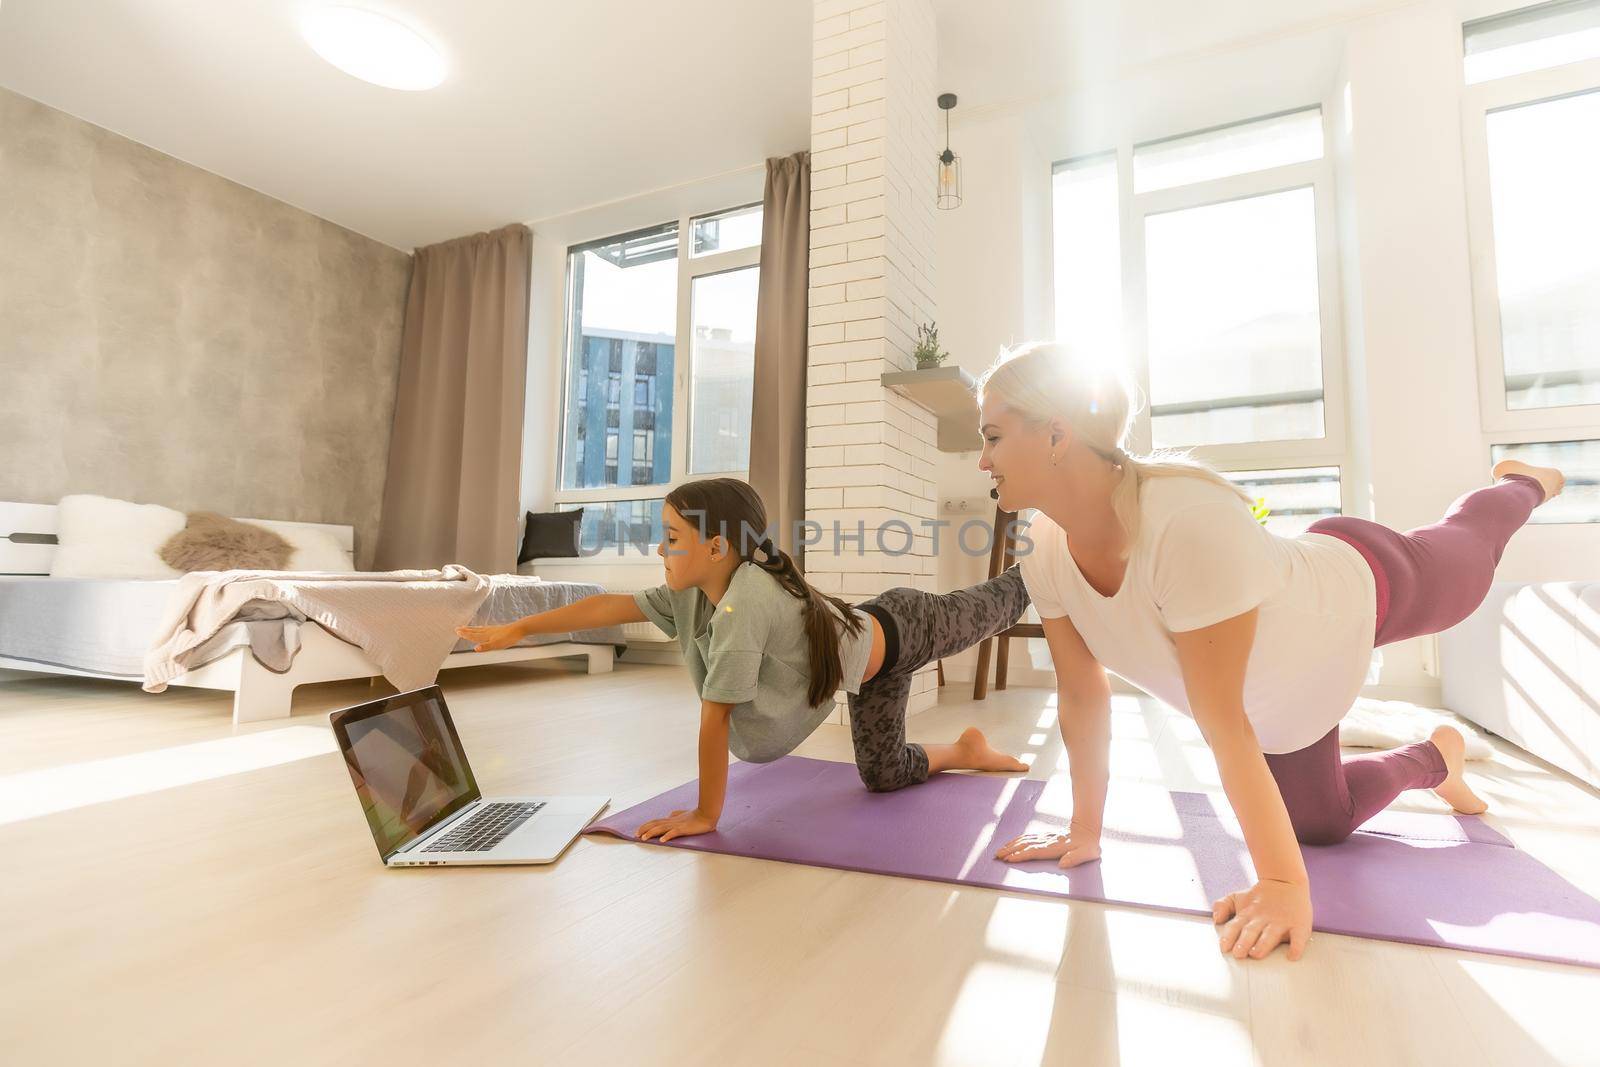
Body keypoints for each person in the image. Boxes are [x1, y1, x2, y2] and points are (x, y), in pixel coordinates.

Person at [979, 341, 1564, 962]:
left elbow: (1221, 718)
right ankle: (1436, 759)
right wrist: (1084, 830)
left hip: (1358, 589)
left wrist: (1283, 885)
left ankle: (1524, 484)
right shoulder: (1041, 545)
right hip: (1289, 692)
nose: (983, 461)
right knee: (1322, 824)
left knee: (1468, 557)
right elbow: (1082, 692)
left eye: (992, 436)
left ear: (1056, 434)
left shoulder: (1184, 520)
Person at [457, 477, 1036, 842]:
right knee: (883, 776)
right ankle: (967, 751)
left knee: (1000, 603)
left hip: (905, 629)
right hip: (869, 670)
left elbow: (716, 719)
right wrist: (521, 627)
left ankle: (1044, 561)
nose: (660, 548)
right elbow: (610, 605)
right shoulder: (695, 595)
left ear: (717, 548)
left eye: (672, 537)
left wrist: (706, 814)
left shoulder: (745, 603)